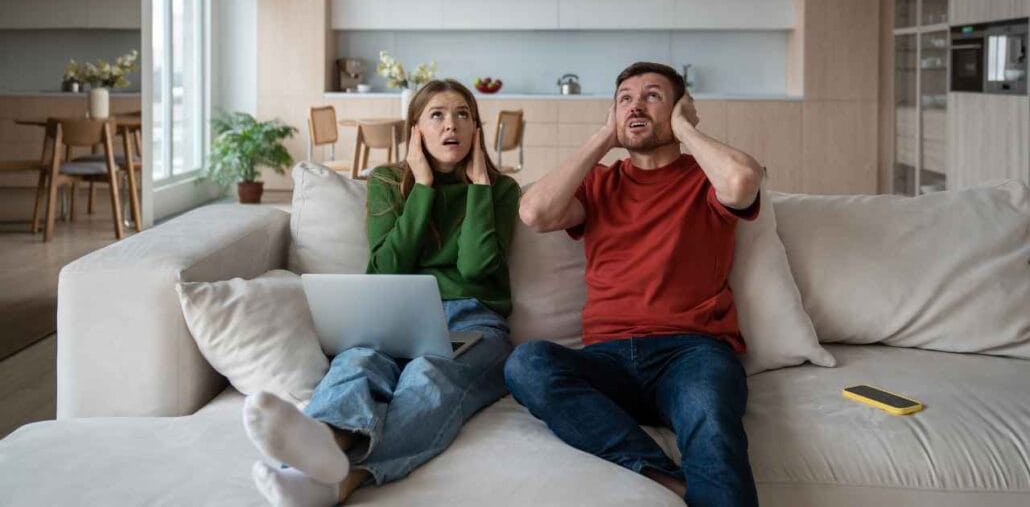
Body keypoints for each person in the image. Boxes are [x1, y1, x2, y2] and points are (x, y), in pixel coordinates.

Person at [243, 79, 521, 507]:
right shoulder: (389, 182)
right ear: (416, 131)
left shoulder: (499, 190)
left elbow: (475, 269)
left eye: (463, 115)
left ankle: (338, 482)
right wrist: (423, 188)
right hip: (395, 314)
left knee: (428, 377)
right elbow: (386, 269)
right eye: (438, 115)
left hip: (474, 319)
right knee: (357, 362)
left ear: (477, 129)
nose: (452, 125)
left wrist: (479, 187)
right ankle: (323, 442)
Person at [504, 62, 764, 507]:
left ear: (680, 108)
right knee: (527, 364)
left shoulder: (705, 177)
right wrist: (606, 137)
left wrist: (685, 129)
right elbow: (535, 213)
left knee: (710, 416)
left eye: (652, 96)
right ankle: (664, 480)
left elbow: (742, 183)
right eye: (625, 98)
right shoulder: (601, 183)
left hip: (691, 353)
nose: (636, 106)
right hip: (609, 359)